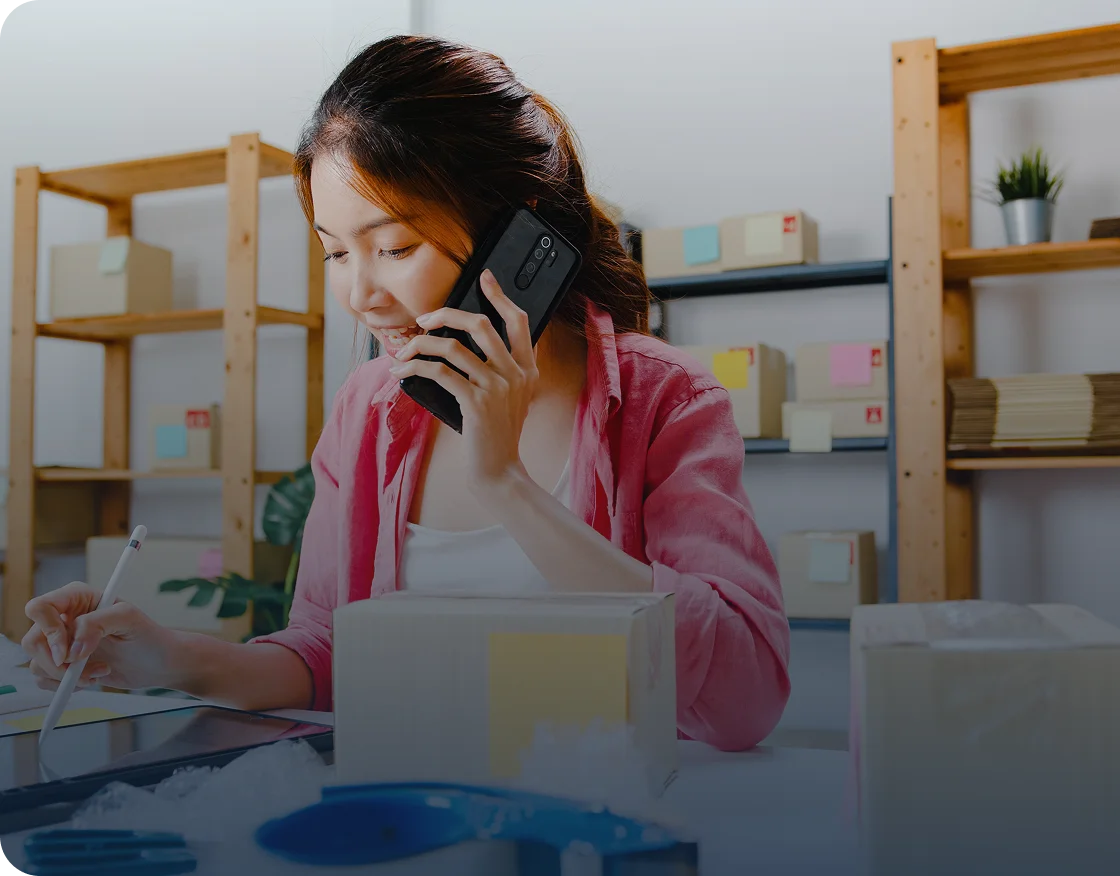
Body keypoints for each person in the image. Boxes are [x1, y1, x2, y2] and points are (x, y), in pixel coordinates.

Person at [21, 35, 789, 751]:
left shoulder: (665, 400)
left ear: (520, 239)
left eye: (393, 247)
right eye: (334, 253)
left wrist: (507, 487)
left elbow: (745, 697)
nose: (360, 294)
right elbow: (326, 652)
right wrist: (173, 658)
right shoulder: (369, 411)